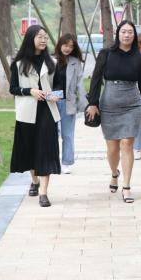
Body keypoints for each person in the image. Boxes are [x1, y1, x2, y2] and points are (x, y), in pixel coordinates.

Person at [85, 20, 141, 203]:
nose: (127, 35)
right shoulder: (106, 54)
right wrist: (93, 103)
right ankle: (114, 173)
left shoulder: (140, 58)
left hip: (132, 104)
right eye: (123, 31)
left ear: (134, 35)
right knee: (112, 147)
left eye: (130, 32)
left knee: (127, 143)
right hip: (109, 104)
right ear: (118, 34)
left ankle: (127, 186)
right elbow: (96, 79)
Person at [9, 25, 62, 208]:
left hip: (48, 111)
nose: (43, 40)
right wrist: (30, 91)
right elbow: (13, 89)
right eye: (40, 36)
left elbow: (60, 86)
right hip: (27, 113)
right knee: (30, 150)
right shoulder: (18, 64)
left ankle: (44, 193)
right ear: (30, 38)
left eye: (45, 37)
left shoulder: (53, 63)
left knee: (45, 150)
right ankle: (35, 180)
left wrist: (55, 95)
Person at [52, 33, 86, 174]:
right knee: (52, 134)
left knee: (67, 134)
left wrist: (84, 105)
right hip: (51, 102)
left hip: (68, 102)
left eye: (71, 46)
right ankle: (52, 162)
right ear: (60, 45)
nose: (67, 48)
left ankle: (66, 163)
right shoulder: (50, 60)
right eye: (65, 45)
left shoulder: (75, 62)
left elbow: (80, 84)